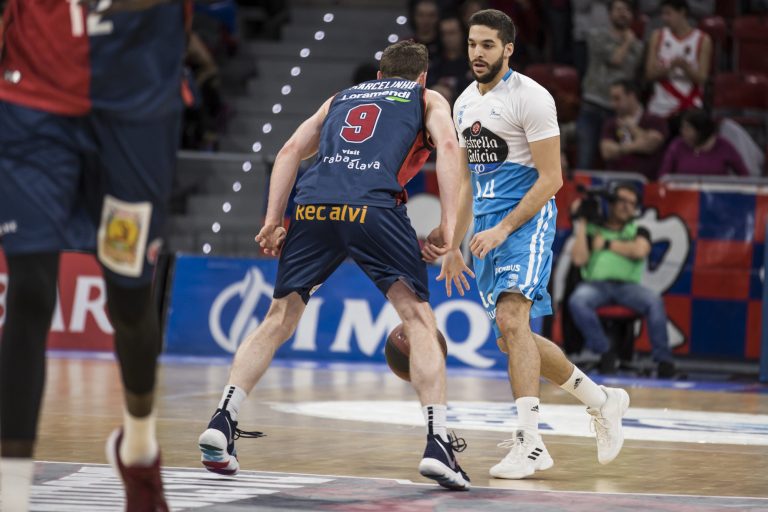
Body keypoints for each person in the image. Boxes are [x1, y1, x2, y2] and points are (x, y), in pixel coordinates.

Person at [197, 41, 475, 491]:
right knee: (419, 319)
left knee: (279, 317)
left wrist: (272, 220)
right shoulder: (426, 98)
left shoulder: (341, 98)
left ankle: (222, 419)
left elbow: (289, 150)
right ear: (420, 77)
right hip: (373, 206)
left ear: (379, 74)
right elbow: (446, 144)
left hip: (313, 205)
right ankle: (438, 443)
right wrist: (448, 225)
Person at [424, 9, 630, 480]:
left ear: (508, 49)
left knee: (515, 320)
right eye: (473, 44)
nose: (477, 53)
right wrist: (454, 243)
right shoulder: (462, 104)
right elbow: (470, 186)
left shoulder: (532, 98)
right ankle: (602, 401)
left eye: (488, 45)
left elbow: (552, 178)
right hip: (485, 233)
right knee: (511, 337)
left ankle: (531, 443)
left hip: (528, 222)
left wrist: (503, 229)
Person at [0, 1, 189, 511]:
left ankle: (140, 447)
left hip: (135, 115)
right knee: (30, 288)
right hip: (32, 103)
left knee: (128, 300)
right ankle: (10, 494)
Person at [568, 183, 676, 378]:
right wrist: (582, 223)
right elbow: (578, 259)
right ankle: (604, 352)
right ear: (611, 203)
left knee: (654, 301)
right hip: (595, 286)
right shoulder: (593, 229)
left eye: (631, 203)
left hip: (628, 288)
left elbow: (640, 250)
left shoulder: (638, 228)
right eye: (622, 201)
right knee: (577, 300)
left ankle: (664, 361)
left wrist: (606, 243)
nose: (626, 206)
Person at [576, 0, 644, 171]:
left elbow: (633, 72)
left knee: (615, 160)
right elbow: (616, 59)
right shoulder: (597, 36)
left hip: (618, 112)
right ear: (609, 14)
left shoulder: (639, 46)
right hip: (593, 106)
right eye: (619, 9)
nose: (623, 13)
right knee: (586, 158)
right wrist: (628, 41)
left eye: (627, 10)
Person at [645, 0, 712, 132]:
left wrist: (685, 68)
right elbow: (649, 74)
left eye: (668, 14)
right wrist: (670, 67)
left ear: (682, 12)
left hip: (689, 107)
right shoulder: (658, 36)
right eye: (663, 14)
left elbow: (703, 78)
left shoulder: (703, 40)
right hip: (661, 106)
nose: (664, 18)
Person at [600, 80, 668, 179]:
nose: (613, 104)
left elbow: (650, 145)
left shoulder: (655, 121)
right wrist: (636, 145)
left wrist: (633, 129)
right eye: (612, 99)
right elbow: (606, 152)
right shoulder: (611, 123)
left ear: (631, 96)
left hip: (646, 183)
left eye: (617, 99)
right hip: (616, 181)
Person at [659, 108, 750, 177]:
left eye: (687, 128)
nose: (682, 131)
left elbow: (744, 176)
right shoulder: (677, 145)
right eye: (682, 127)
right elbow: (663, 176)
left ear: (700, 130)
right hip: (683, 197)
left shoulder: (724, 146)